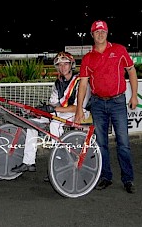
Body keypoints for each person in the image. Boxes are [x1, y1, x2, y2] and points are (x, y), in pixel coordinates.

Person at [75, 20, 137, 194]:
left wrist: (133, 95)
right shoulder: (87, 58)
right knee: (101, 143)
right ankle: (105, 177)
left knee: (123, 143)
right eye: (97, 32)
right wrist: (79, 109)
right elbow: (83, 85)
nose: (100, 34)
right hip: (98, 104)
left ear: (107, 32)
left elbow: (131, 71)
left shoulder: (119, 50)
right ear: (92, 35)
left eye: (103, 31)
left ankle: (128, 179)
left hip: (118, 102)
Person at [11, 52, 90, 176]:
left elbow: (77, 107)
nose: (62, 67)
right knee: (33, 123)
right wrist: (41, 110)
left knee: (55, 124)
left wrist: (53, 110)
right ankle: (28, 162)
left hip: (80, 112)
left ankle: (59, 162)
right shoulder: (57, 83)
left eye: (65, 64)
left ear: (71, 65)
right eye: (59, 65)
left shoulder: (81, 81)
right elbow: (53, 105)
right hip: (62, 112)